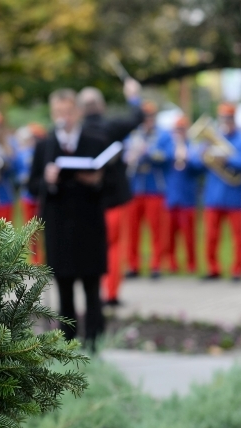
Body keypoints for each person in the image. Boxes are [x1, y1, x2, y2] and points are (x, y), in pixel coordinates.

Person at [29, 88, 113, 348]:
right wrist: (47, 180)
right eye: (58, 112)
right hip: (58, 224)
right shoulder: (45, 146)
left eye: (68, 111)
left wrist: (95, 181)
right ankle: (68, 343)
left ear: (77, 112)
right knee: (63, 285)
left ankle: (94, 341)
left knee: (91, 285)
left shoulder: (95, 142)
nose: (63, 117)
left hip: (88, 223)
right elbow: (32, 185)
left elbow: (112, 186)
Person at [77, 80, 144, 305]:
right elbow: (137, 117)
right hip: (115, 199)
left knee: (92, 247)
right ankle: (111, 293)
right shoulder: (112, 126)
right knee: (115, 246)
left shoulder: (78, 132)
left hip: (88, 201)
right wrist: (133, 96)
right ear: (102, 106)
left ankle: (93, 293)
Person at [199, 102, 241, 280]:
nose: (226, 122)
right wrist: (202, 153)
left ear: (234, 120)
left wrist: (228, 159)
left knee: (238, 236)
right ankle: (213, 269)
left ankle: (238, 269)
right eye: (223, 119)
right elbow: (195, 163)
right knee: (211, 235)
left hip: (235, 196)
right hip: (213, 196)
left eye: (229, 119)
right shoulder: (211, 140)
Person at [124, 101, 173, 278]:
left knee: (156, 229)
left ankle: (156, 265)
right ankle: (133, 265)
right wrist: (130, 155)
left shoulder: (163, 135)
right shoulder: (133, 134)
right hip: (135, 188)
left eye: (150, 117)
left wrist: (148, 152)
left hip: (155, 188)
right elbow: (124, 153)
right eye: (145, 117)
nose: (147, 120)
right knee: (132, 229)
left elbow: (168, 156)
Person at [164, 116, 203, 274]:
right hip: (171, 197)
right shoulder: (169, 146)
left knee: (189, 235)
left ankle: (191, 264)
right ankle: (171, 263)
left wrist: (187, 156)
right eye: (177, 129)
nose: (179, 132)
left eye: (182, 129)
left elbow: (199, 167)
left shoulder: (193, 147)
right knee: (169, 235)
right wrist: (176, 148)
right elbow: (160, 159)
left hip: (188, 198)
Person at [16, 123, 46, 264]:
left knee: (45, 230)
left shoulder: (44, 152)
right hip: (28, 196)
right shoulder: (22, 154)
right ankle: (36, 261)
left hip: (43, 196)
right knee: (31, 230)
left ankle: (45, 258)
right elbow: (16, 172)